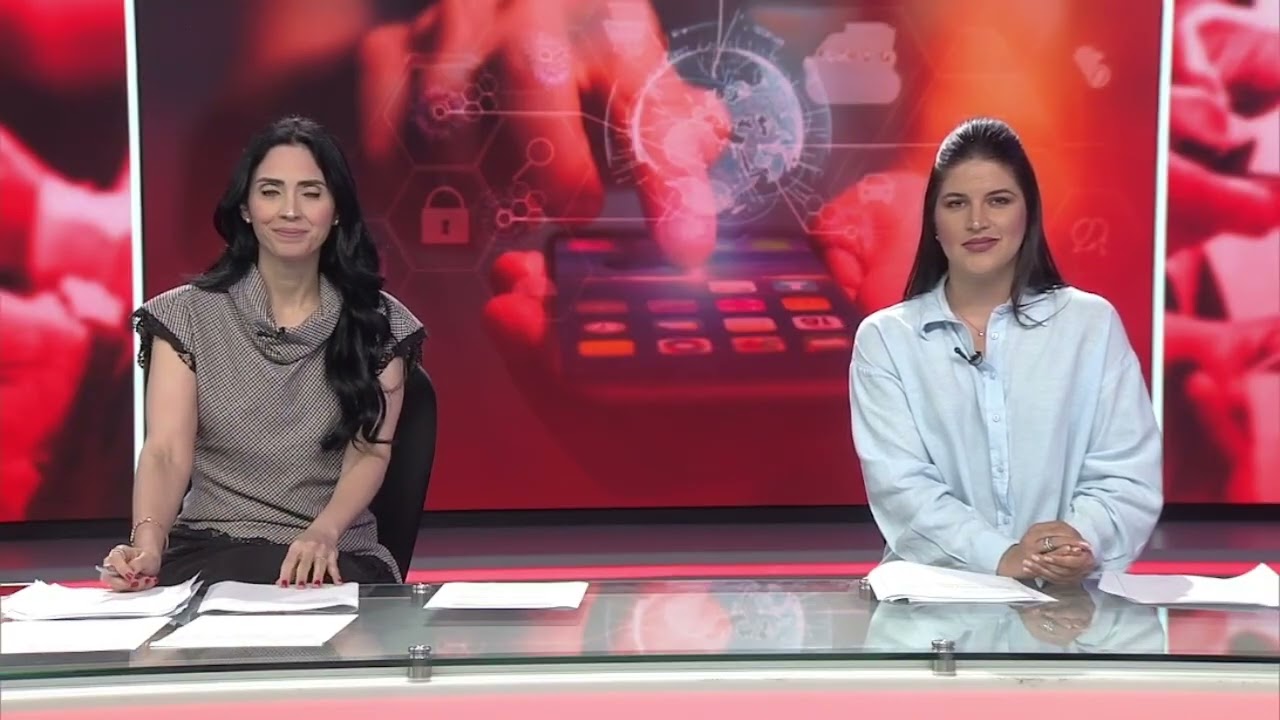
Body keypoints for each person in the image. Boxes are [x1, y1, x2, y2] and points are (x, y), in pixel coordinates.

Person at [99, 116, 426, 591]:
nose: (290, 211)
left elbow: (369, 452)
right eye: (271, 192)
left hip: (334, 552)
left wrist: (323, 533)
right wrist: (148, 543)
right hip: (211, 548)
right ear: (246, 208)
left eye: (311, 193)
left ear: (337, 211)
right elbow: (166, 451)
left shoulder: (381, 323)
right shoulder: (184, 316)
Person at [849, 117, 1163, 583]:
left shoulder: (1089, 325)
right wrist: (1002, 556)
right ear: (934, 221)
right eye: (956, 203)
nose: (977, 221)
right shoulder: (886, 340)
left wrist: (1079, 539)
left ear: (1028, 213)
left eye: (998, 200)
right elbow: (902, 490)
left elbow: (1126, 473)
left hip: (1066, 605)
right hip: (936, 606)